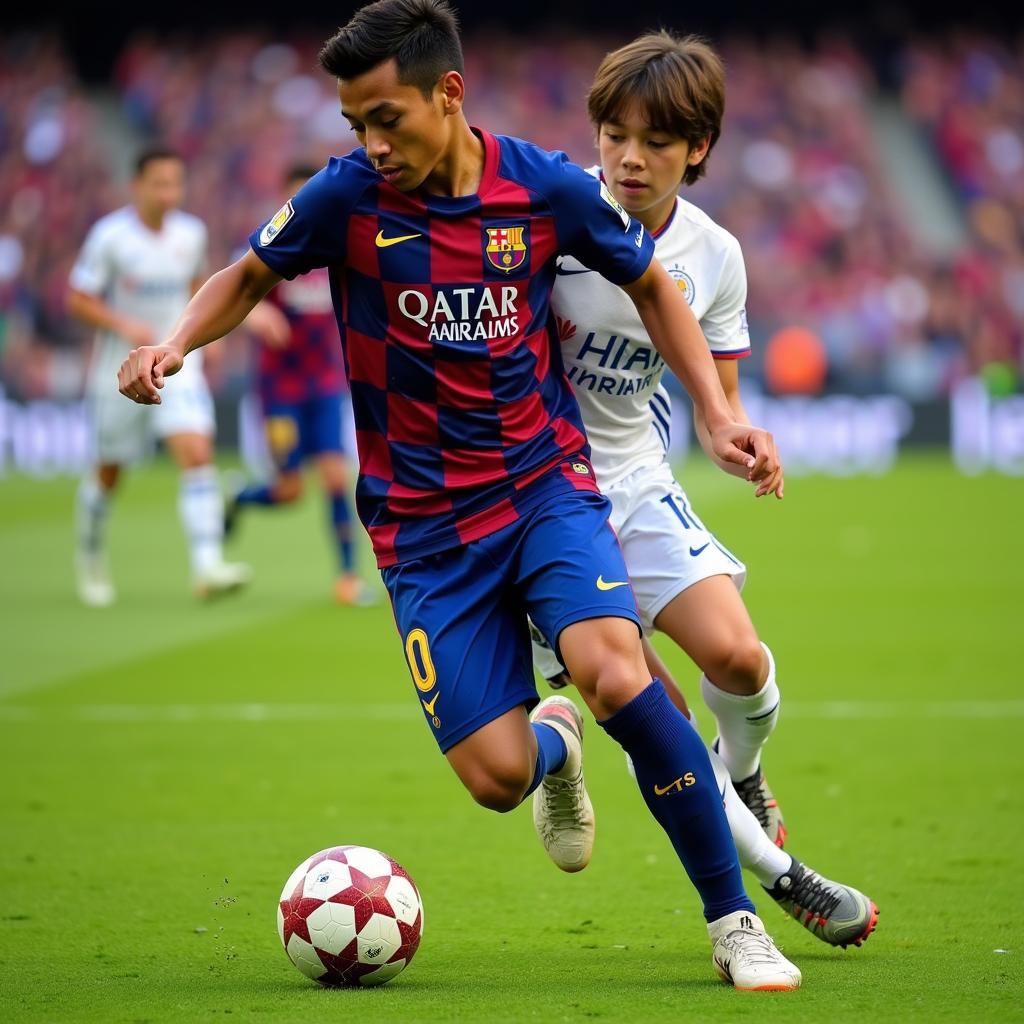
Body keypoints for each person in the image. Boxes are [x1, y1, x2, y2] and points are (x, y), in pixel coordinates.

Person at [116, 0, 799, 991]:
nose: (369, 142)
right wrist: (175, 343)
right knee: (496, 776)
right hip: (423, 525)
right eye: (355, 124)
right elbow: (248, 271)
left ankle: (733, 918)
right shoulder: (345, 197)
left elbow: (653, 282)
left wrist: (716, 410)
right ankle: (553, 747)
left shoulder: (546, 189)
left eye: (385, 118)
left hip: (544, 487)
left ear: (447, 95)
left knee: (617, 670)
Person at [530, 31, 877, 948]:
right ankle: (780, 875)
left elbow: (715, 396)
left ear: (699, 149)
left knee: (742, 665)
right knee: (662, 726)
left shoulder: (714, 255)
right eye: (612, 134)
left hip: (639, 482)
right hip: (542, 500)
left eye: (654, 140)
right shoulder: (548, 218)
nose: (628, 157)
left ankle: (746, 771)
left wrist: (738, 439)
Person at [68, 145, 251, 604]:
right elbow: (78, 297)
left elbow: (198, 286)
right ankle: (89, 555)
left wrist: (208, 339)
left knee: (196, 452)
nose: (170, 192)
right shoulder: (110, 237)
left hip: (173, 364)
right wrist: (123, 324)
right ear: (137, 185)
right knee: (110, 471)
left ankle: (208, 565)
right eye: (160, 183)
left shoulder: (191, 233)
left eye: (176, 182)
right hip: (121, 369)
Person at [225, 166, 368, 606]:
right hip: (280, 388)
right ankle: (238, 496)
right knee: (290, 491)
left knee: (334, 476)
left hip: (324, 383)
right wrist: (256, 315)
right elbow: (237, 293)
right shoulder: (272, 245)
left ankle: (347, 577)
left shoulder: (337, 245)